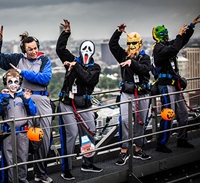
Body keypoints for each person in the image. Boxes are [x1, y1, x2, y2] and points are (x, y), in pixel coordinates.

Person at [0, 25, 53, 183]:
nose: (33, 51)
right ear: (24, 49)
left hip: (41, 101)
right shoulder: (17, 59)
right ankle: (19, 178)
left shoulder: (44, 60)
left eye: (35, 48)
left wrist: (23, 72)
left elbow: (44, 78)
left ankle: (41, 172)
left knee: (42, 139)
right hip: (24, 103)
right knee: (23, 140)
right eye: (29, 49)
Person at [56, 19, 103, 180]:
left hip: (84, 105)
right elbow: (60, 49)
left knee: (90, 132)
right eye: (84, 48)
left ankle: (87, 163)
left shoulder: (95, 68)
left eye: (90, 49)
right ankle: (66, 168)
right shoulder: (73, 60)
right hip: (68, 104)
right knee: (71, 134)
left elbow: (87, 79)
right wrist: (66, 33)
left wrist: (74, 65)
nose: (86, 51)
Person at [152, 15, 200, 153]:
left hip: (174, 84)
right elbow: (174, 49)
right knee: (168, 113)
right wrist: (179, 35)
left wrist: (191, 26)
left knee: (183, 113)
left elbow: (181, 42)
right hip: (165, 85)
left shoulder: (167, 45)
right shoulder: (158, 49)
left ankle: (181, 139)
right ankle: (161, 144)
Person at [109, 24, 152, 165]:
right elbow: (112, 45)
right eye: (130, 44)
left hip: (142, 94)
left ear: (140, 44)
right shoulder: (123, 55)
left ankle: (138, 149)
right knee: (124, 121)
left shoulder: (145, 58)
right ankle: (124, 150)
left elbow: (144, 70)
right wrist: (118, 32)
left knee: (141, 122)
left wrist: (131, 63)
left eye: (134, 43)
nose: (132, 46)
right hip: (127, 93)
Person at [0, 68, 37, 183]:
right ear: (5, 83)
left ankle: (22, 179)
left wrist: (28, 100)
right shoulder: (1, 96)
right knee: (9, 160)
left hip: (23, 132)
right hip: (8, 133)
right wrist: (4, 99)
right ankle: (12, 180)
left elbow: (33, 111)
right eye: (10, 82)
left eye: (15, 82)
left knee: (23, 157)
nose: (13, 85)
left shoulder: (23, 95)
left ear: (19, 82)